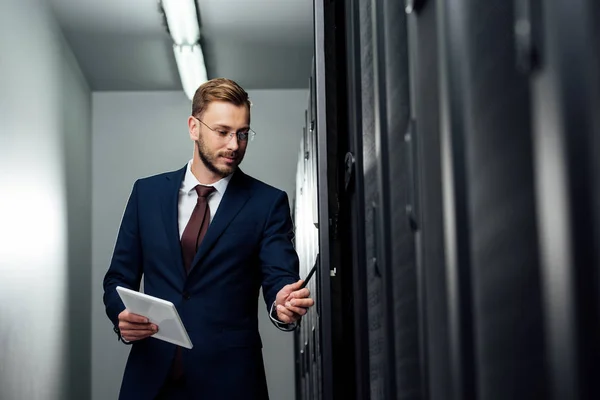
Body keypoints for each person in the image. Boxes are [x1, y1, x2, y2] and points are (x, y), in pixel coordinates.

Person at [102, 78, 314, 400]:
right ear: (194, 127)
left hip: (231, 382)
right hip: (151, 378)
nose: (234, 144)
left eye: (243, 134)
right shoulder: (147, 193)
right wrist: (122, 316)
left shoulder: (267, 203)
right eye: (223, 131)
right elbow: (118, 278)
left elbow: (279, 278)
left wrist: (281, 303)